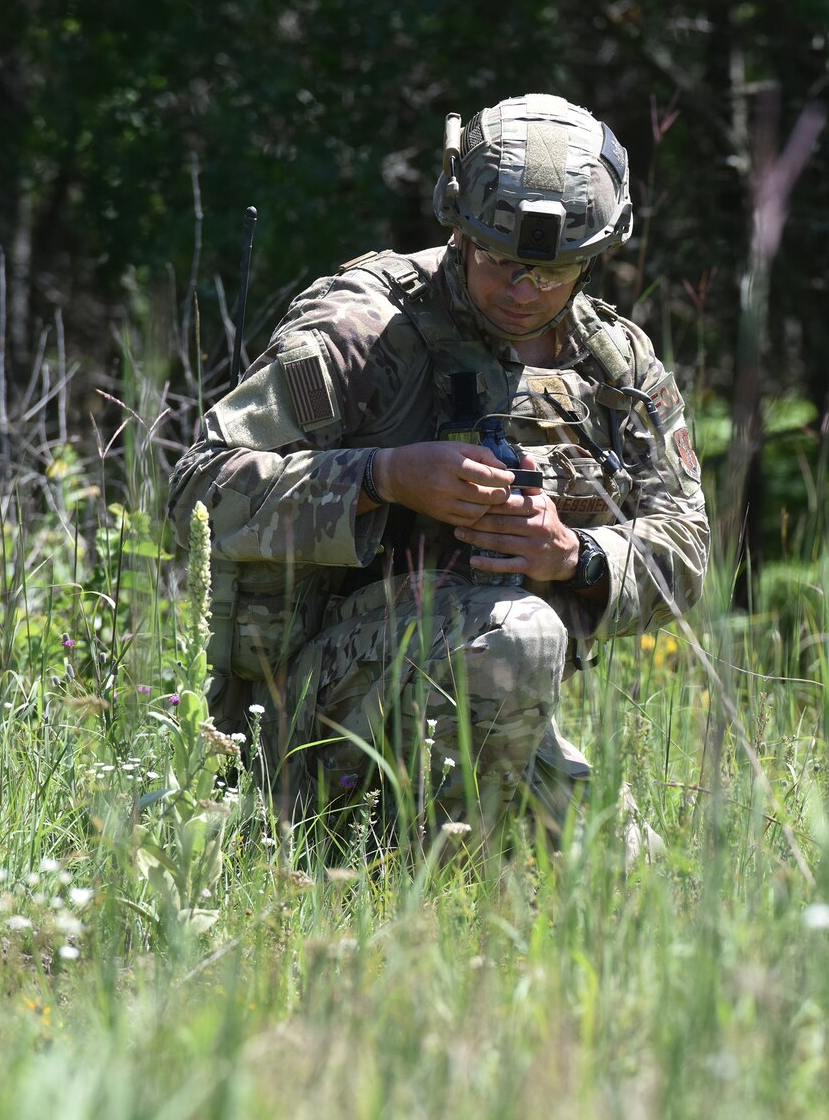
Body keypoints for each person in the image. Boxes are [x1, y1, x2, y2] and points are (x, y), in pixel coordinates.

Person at [170, 94, 707, 852]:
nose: (524, 290)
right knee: (518, 635)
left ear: (596, 256)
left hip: (495, 712)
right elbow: (198, 486)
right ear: (457, 227)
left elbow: (688, 546)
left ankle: (455, 855)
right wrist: (381, 477)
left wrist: (576, 556)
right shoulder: (362, 331)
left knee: (636, 881)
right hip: (307, 719)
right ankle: (410, 868)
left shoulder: (615, 367)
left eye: (553, 271)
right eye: (499, 260)